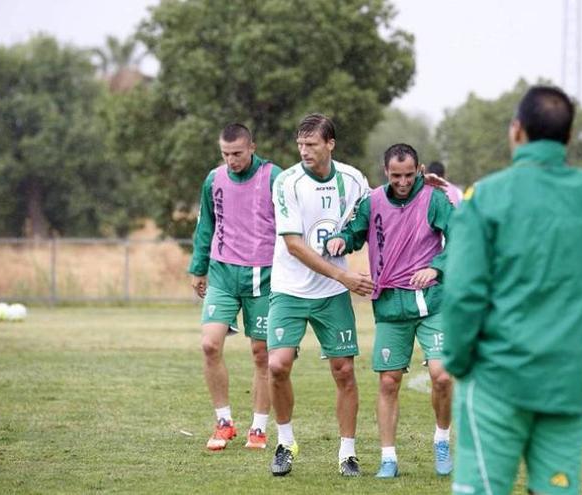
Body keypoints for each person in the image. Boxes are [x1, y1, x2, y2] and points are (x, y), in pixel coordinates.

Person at [442, 86, 582, 495]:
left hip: (497, 380)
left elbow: (463, 294)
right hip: (565, 384)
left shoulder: (485, 197)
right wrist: (577, 188)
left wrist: (458, 363)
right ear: (568, 139)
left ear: (516, 131)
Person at [326, 143, 455, 479]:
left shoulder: (434, 199)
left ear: (420, 169)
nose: (403, 181)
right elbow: (353, 232)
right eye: (396, 175)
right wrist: (341, 240)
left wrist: (437, 267)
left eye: (409, 175)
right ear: (386, 172)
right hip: (390, 304)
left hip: (432, 302)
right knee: (388, 382)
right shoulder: (372, 201)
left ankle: (442, 439)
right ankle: (388, 458)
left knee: (442, 375)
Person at [267, 114, 372, 477]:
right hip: (290, 288)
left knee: (343, 371)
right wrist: (344, 275)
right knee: (277, 365)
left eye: (311, 144)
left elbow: (372, 218)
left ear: (330, 144)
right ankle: (284, 442)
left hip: (331, 293)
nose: (304, 151)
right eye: (300, 144)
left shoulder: (355, 179)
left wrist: (422, 188)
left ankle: (347, 454)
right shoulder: (287, 182)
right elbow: (294, 246)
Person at [188, 123, 283, 451]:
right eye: (226, 154)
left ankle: (258, 427)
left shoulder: (274, 177)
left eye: (237, 154)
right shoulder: (214, 179)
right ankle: (224, 421)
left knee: (262, 355)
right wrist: (198, 268)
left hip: (264, 278)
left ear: (252, 147)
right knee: (209, 345)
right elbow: (206, 225)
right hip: (223, 275)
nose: (231, 160)